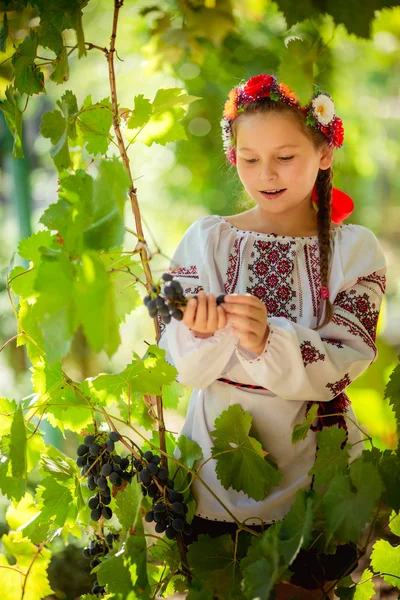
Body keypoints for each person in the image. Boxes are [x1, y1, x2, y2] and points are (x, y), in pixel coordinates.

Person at [157, 73, 387, 598]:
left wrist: (268, 339)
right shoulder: (206, 241)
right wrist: (205, 335)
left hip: (315, 469)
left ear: (325, 151)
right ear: (233, 155)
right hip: (215, 468)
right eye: (250, 158)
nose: (267, 174)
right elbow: (185, 367)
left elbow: (346, 358)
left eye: (285, 156)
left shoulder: (356, 251)